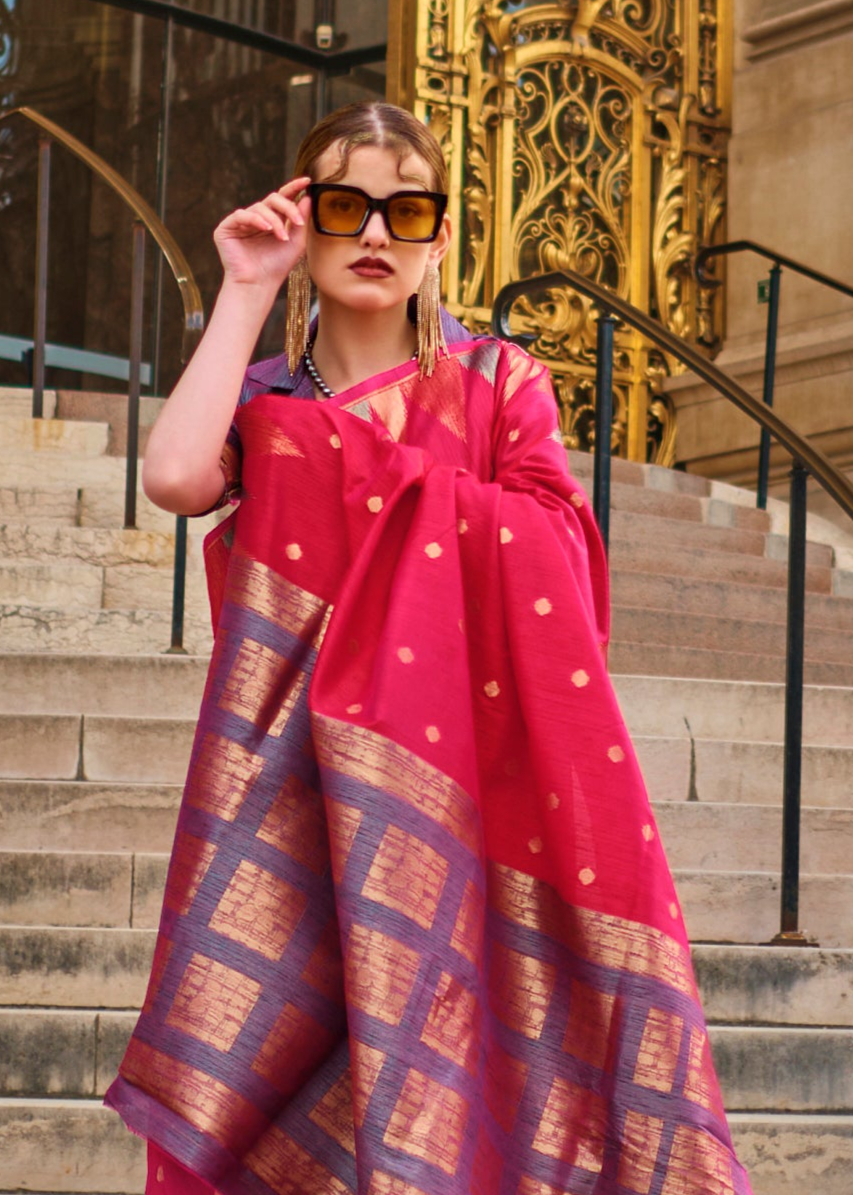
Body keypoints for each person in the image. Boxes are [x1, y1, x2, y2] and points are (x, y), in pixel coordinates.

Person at [106, 102, 752, 1195]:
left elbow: (557, 555)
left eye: (407, 209)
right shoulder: (261, 404)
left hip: (470, 798)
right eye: (344, 205)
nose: (374, 234)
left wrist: (395, 489)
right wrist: (247, 288)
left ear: (441, 236)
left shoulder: (500, 385)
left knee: (462, 1046)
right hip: (291, 785)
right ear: (303, 220)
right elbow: (173, 477)